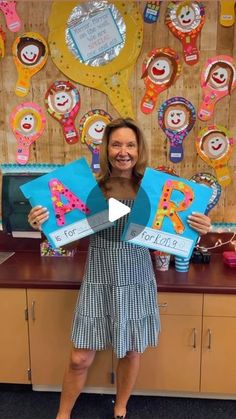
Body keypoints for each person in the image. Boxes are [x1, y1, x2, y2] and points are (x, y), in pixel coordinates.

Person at [28, 118, 211, 419]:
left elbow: (172, 233)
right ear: (106, 149)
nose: (123, 151)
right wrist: (43, 225)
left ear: (139, 149)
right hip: (99, 278)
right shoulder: (91, 189)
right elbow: (69, 243)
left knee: (130, 351)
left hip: (137, 276)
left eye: (130, 144)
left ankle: (121, 408)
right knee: (79, 358)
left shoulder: (153, 189)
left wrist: (198, 228)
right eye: (116, 144)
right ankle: (63, 414)